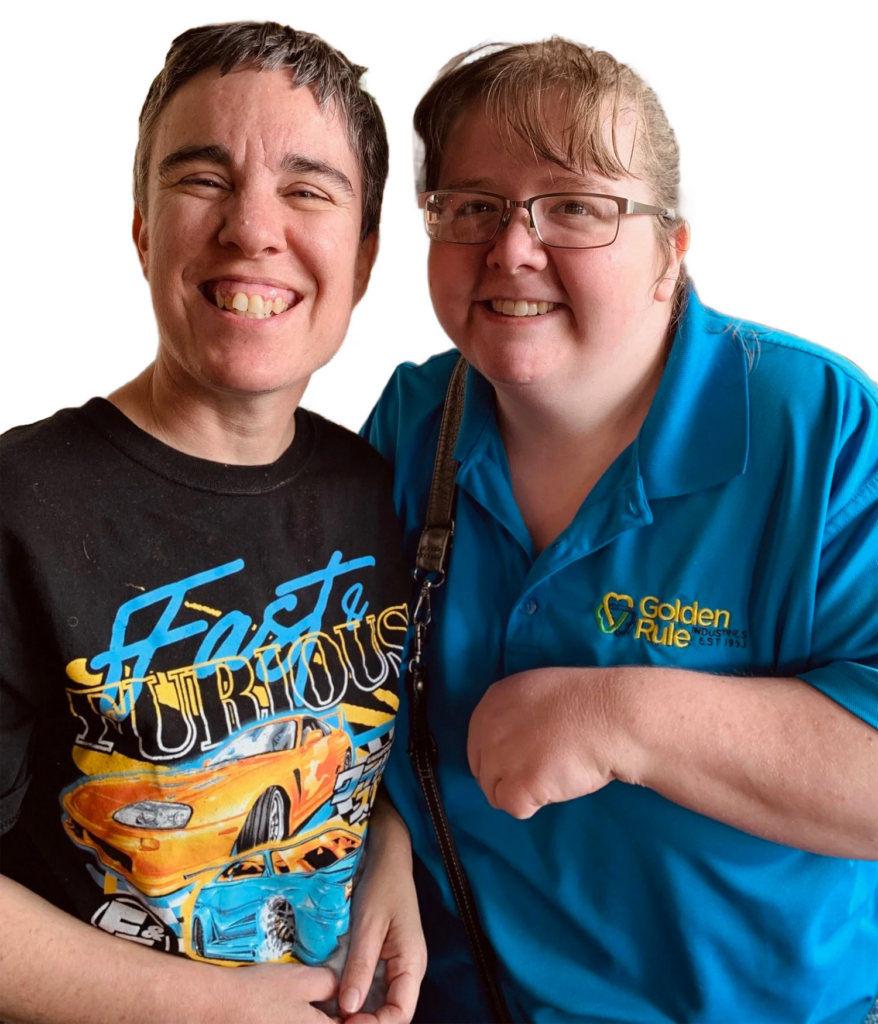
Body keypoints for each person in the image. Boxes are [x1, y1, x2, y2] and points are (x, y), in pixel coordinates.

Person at [361, 32, 878, 1024]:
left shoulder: (828, 430)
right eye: (470, 207)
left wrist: (620, 719)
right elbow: (342, 696)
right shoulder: (409, 421)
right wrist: (383, 839)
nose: (511, 247)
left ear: (671, 246)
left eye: (573, 207)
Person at [0, 17, 425, 1024]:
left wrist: (395, 854)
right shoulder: (18, 500)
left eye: (308, 189)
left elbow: (386, 740)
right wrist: (206, 1008)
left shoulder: (386, 489)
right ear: (141, 227)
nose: (250, 227)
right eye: (201, 179)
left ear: (364, 265)